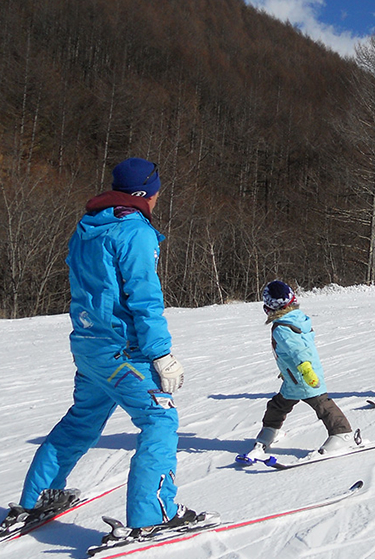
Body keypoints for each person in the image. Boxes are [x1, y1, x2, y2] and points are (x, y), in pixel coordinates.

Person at [0, 158, 204, 540]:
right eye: (157, 190)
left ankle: (36, 498)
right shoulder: (134, 232)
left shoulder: (87, 227)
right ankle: (153, 514)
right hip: (123, 352)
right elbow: (144, 298)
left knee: (81, 422)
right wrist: (160, 353)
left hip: (89, 347)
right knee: (159, 422)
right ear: (145, 193)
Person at [239, 280, 355, 463]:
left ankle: (343, 434)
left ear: (268, 308)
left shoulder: (281, 328)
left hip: (303, 377)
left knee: (322, 405)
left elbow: (298, 352)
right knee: (278, 405)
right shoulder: (296, 319)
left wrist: (307, 372)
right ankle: (271, 430)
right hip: (293, 378)